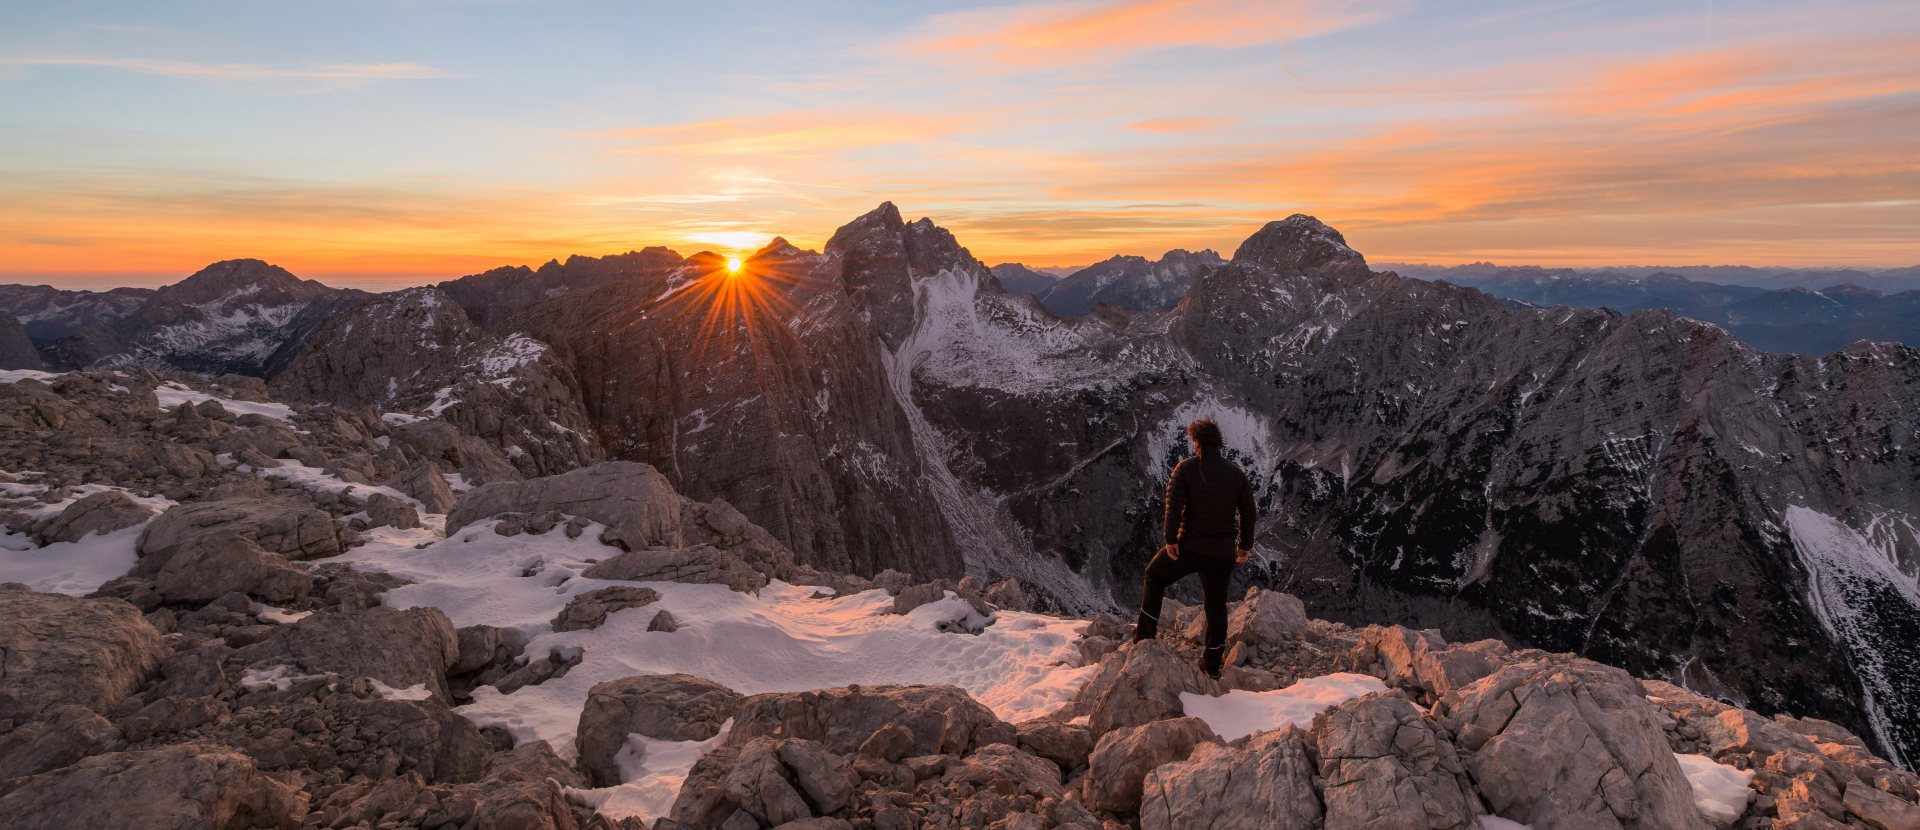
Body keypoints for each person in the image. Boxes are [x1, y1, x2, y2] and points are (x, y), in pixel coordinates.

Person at [1132, 417, 1256, 678]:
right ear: (1218, 443)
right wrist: (1244, 546)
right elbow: (1248, 511)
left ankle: (1144, 637)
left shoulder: (1186, 468)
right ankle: (1212, 664)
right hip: (1222, 553)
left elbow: (1173, 506)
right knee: (1216, 604)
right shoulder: (1236, 474)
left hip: (1190, 547)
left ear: (1196, 442)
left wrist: (1170, 540)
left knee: (1154, 575)